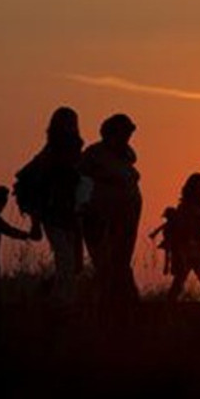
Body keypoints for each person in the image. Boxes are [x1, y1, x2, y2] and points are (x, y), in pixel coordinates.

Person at [13, 107, 83, 300]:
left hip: (72, 216)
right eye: (66, 123)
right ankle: (59, 305)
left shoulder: (75, 152)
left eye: (72, 123)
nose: (70, 127)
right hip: (54, 215)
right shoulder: (51, 153)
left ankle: (47, 298)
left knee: (75, 266)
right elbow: (31, 181)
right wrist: (36, 221)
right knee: (66, 263)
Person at [78, 113, 142, 307]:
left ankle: (122, 303)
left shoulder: (127, 157)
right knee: (105, 263)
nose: (128, 137)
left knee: (121, 261)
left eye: (129, 133)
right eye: (124, 132)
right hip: (100, 217)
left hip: (127, 217)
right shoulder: (94, 154)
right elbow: (81, 183)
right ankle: (104, 303)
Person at [156, 173, 200, 303]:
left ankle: (166, 313)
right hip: (193, 254)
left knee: (177, 287)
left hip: (185, 253)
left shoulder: (184, 207)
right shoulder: (194, 209)